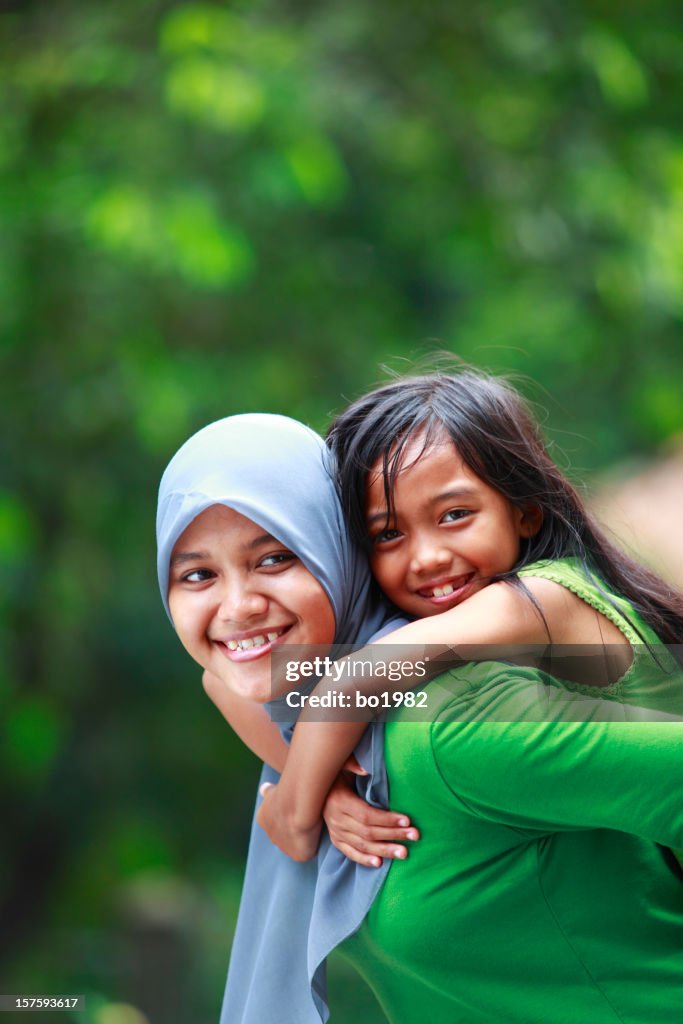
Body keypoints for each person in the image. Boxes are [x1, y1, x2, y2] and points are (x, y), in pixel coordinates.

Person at [256, 367, 683, 1023]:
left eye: (454, 515)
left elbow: (360, 674)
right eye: (387, 535)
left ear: (524, 509)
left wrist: (296, 804)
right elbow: (234, 680)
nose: (425, 557)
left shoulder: (536, 598)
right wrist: (328, 785)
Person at [156, 412, 413, 1024]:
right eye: (198, 574)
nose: (238, 607)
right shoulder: (290, 693)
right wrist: (314, 783)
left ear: (336, 545)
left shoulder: (435, 699)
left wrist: (300, 796)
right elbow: (218, 682)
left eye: (273, 559)